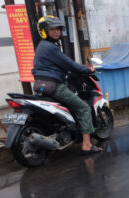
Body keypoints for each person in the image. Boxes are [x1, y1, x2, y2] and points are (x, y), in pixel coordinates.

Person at [32, 15, 101, 155]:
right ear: (44, 30)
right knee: (83, 108)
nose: (56, 31)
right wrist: (87, 69)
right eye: (52, 28)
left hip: (41, 85)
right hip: (55, 86)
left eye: (58, 28)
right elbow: (70, 64)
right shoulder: (51, 48)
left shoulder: (41, 46)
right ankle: (87, 145)